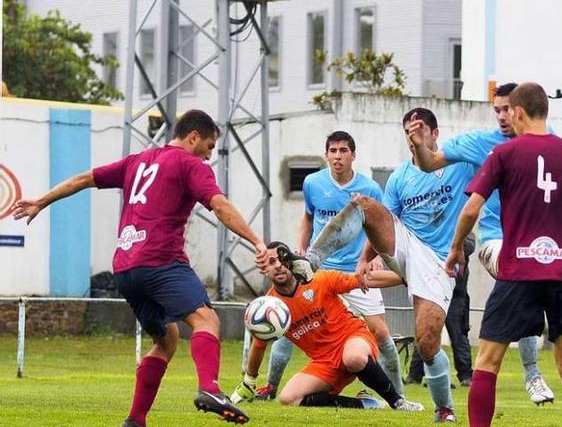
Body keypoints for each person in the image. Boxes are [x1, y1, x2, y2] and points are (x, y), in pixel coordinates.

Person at [12, 109, 268, 427]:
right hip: (161, 261)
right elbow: (220, 206)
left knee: (166, 340)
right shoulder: (190, 164)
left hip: (126, 269)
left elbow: (83, 179)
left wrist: (41, 201)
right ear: (193, 137)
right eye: (210, 146)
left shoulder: (138, 161)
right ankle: (210, 390)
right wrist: (257, 242)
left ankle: (135, 419)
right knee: (206, 320)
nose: (210, 154)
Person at [407, 82, 562, 426]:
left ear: (519, 112)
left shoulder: (504, 155)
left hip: (518, 267)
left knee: (488, 360)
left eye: (507, 109)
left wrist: (454, 250)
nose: (503, 115)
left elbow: (469, 211)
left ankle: (527, 380)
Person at [299, 107, 480, 422]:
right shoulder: (399, 178)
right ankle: (312, 259)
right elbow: (384, 222)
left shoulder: (460, 165)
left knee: (426, 342)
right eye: (409, 129)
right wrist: (364, 259)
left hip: (438, 261)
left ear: (435, 134)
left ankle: (444, 408)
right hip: (407, 246)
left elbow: (492, 183)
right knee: (365, 204)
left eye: (420, 128)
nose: (413, 135)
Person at [252, 131, 404, 401]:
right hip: (318, 271)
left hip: (353, 271)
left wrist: (373, 257)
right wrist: (303, 248)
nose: (337, 156)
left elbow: (379, 227)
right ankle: (270, 388)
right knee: (286, 327)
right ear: (326, 155)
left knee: (380, 331)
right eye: (332, 151)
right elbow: (308, 218)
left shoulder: (369, 189)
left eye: (343, 151)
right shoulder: (313, 183)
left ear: (353, 155)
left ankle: (398, 395)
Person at [231, 242, 423, 412]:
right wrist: (250, 380)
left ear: (291, 261)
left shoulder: (319, 280)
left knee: (353, 358)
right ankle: (365, 404)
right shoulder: (271, 307)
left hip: (354, 340)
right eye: (271, 262)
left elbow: (365, 279)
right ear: (264, 268)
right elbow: (258, 346)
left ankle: (398, 402)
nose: (279, 266)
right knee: (288, 398)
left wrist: (406, 278)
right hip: (325, 363)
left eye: (283, 259)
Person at [406, 232, 475, 388]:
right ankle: (414, 375)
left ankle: (466, 376)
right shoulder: (432, 230)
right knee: (425, 333)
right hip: (431, 291)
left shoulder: (463, 230)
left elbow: (470, 246)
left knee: (459, 335)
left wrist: (450, 241)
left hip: (456, 293)